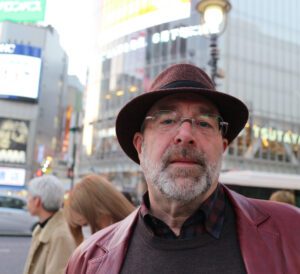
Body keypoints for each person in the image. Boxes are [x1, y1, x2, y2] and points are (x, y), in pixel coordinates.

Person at [66, 64, 300, 274]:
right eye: (167, 120)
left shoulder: (292, 233)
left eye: (204, 123)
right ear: (140, 146)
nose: (185, 135)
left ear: (223, 147)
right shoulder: (89, 260)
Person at [23, 175, 76, 274]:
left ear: (37, 201)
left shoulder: (60, 236)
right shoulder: (43, 227)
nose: (27, 200)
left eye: (29, 196)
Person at [64, 174, 135, 245]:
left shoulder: (136, 238)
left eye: (86, 224)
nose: (85, 231)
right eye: (80, 227)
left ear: (105, 210)